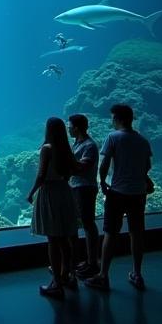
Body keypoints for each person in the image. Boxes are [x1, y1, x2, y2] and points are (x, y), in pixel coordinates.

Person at [84, 103, 152, 292]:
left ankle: (103, 275)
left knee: (110, 233)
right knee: (136, 233)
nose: (111, 121)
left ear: (119, 119)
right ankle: (137, 274)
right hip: (138, 193)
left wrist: (103, 182)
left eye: (112, 117)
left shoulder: (113, 137)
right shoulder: (143, 141)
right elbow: (147, 166)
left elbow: (104, 164)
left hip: (118, 192)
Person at [26, 117, 80, 298]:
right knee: (64, 238)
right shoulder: (66, 148)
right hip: (65, 191)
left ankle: (56, 283)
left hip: (49, 192)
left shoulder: (47, 149)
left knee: (53, 240)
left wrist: (31, 193)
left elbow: (41, 175)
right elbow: (74, 169)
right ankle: (69, 275)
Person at [68, 113, 100, 277]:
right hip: (76, 188)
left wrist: (65, 165)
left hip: (85, 188)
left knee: (88, 224)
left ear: (77, 127)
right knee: (78, 224)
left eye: (70, 126)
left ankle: (92, 262)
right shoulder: (76, 144)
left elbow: (83, 167)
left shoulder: (89, 145)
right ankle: (80, 261)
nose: (68, 128)